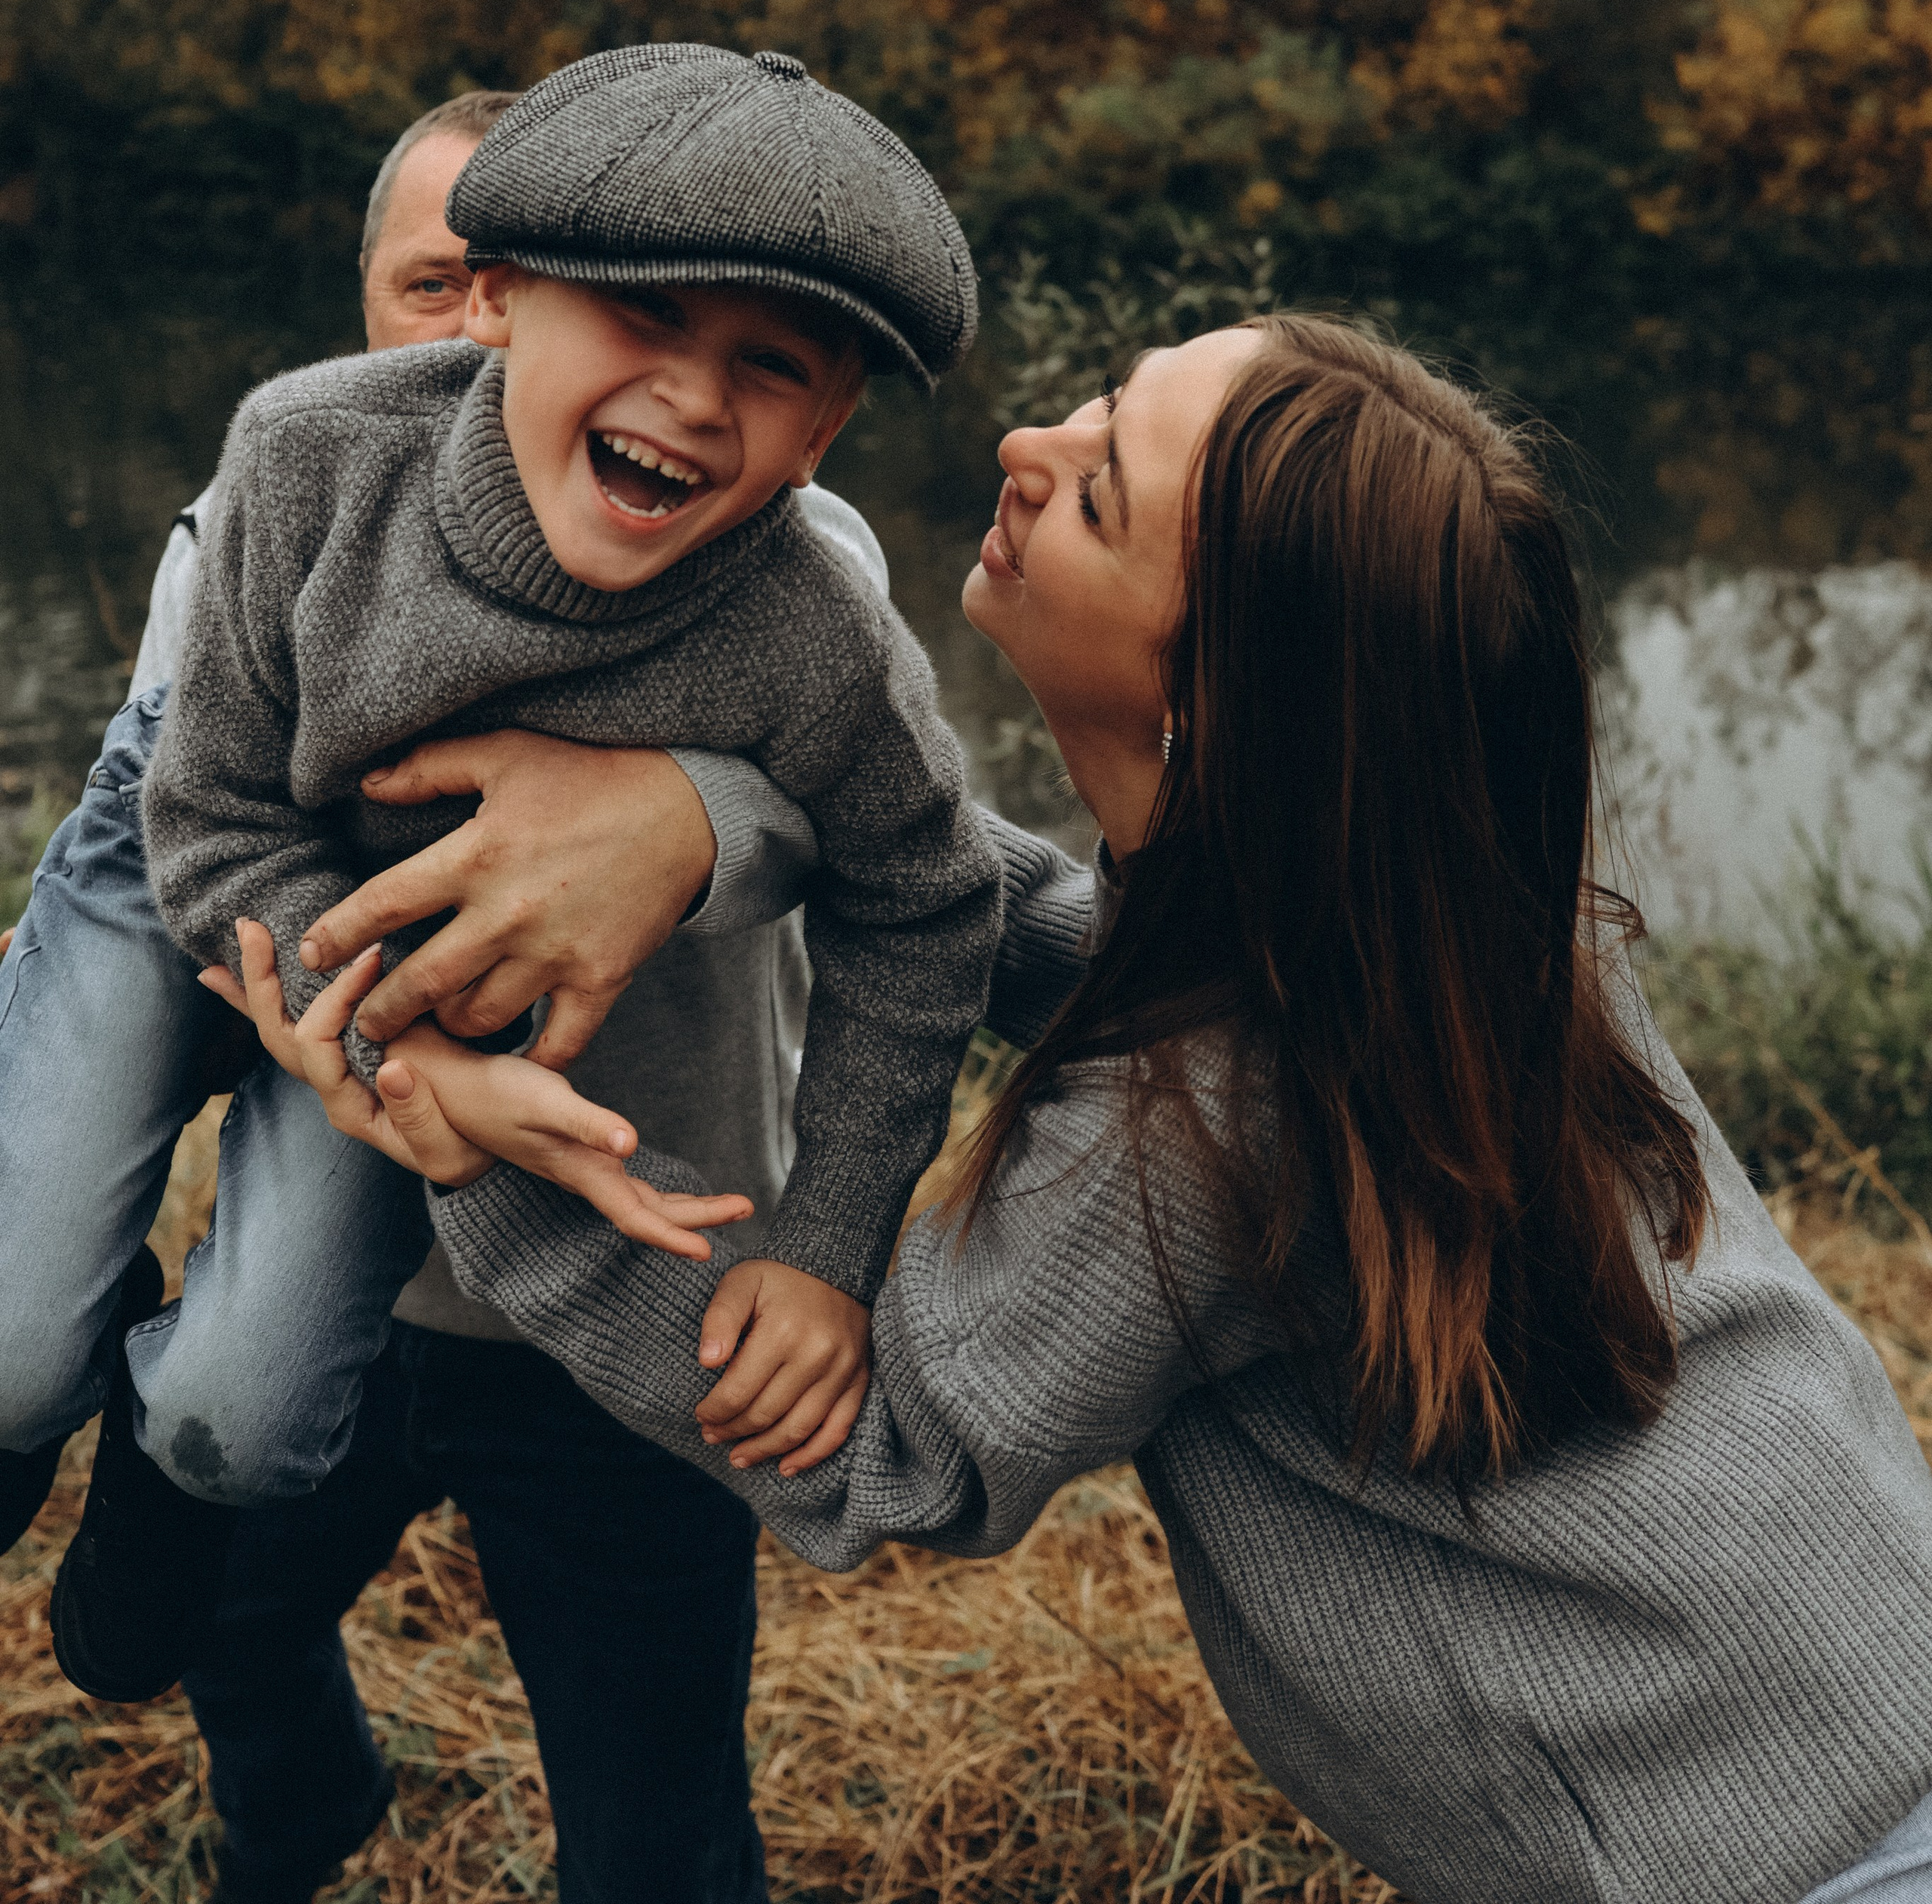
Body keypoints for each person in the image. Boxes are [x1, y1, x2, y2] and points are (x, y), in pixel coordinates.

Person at [243, 312, 1932, 1904]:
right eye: (1108, 400)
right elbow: (1045, 932)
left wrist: (489, 1151)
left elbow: (884, 1453)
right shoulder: (1454, 919)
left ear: (1210, 695)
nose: (1027, 445)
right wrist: (712, 807)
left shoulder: (1194, 1132)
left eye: (1103, 490)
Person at [0, 77, 1066, 1904]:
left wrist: (700, 832)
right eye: (425, 284)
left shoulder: (810, 599)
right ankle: (290, 1817)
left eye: (767, 362)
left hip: (623, 1297)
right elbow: (189, 852)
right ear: (470, 301)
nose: (691, 396)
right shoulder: (280, 494)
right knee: (224, 1565)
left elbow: (930, 880)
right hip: (360, 1227)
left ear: (823, 425)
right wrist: (393, 1063)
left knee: (654, 1819)